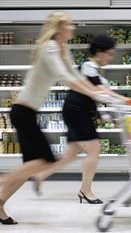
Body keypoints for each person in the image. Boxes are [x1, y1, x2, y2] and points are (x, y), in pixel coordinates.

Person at [0, 11, 114, 225]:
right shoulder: (50, 47)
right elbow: (65, 78)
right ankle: (2, 181)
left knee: (31, 167)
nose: (73, 27)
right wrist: (95, 93)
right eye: (69, 25)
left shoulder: (63, 49)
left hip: (29, 113)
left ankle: (0, 204)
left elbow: (76, 76)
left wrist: (101, 92)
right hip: (22, 112)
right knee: (43, 160)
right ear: (60, 28)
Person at [32, 35, 131, 204]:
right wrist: (125, 100)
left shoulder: (94, 70)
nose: (111, 57)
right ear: (99, 52)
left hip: (77, 111)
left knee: (70, 155)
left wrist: (110, 116)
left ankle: (40, 175)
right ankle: (85, 191)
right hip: (77, 112)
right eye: (109, 54)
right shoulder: (88, 66)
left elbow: (100, 97)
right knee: (94, 150)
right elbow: (103, 91)